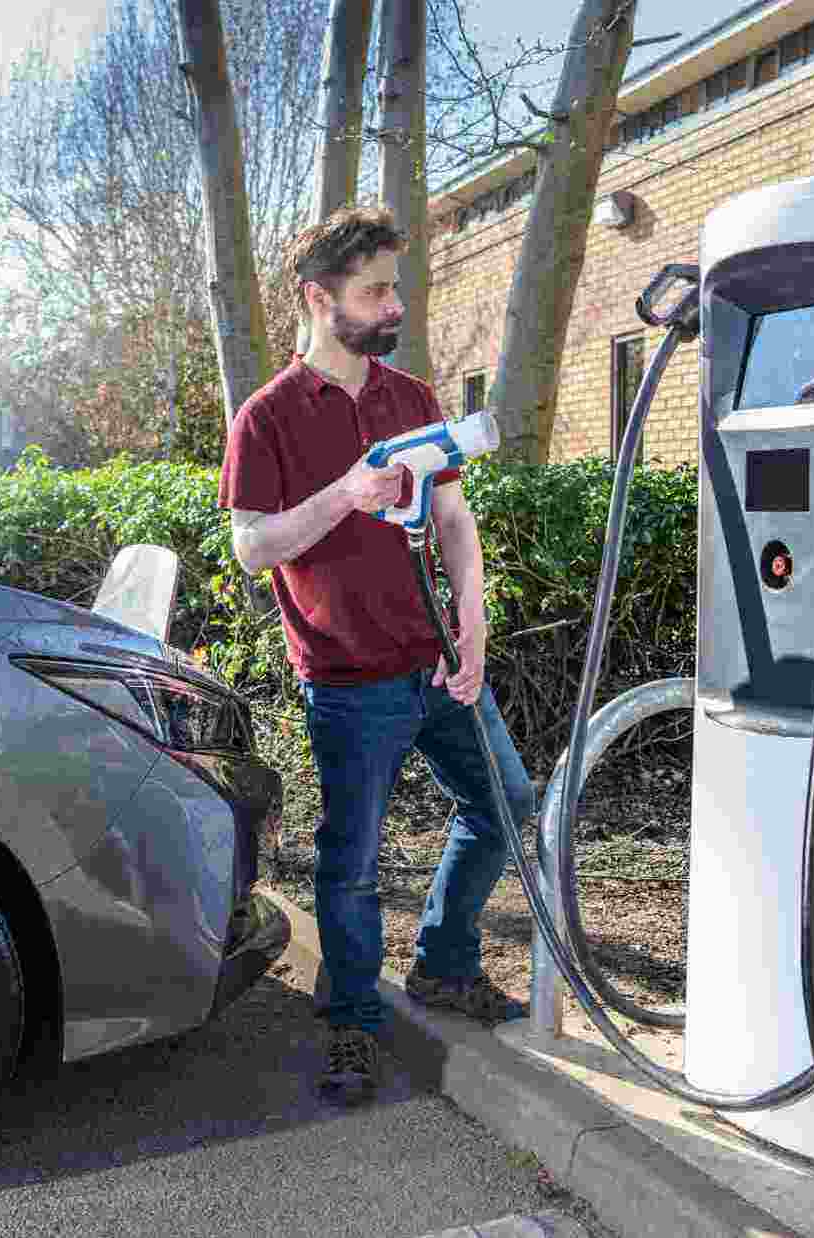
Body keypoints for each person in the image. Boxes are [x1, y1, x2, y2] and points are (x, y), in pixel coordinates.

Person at [217, 204, 535, 1106]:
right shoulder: (268, 417)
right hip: (349, 681)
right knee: (351, 861)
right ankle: (353, 1025)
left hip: (437, 663)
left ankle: (441, 962)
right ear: (320, 299)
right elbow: (252, 545)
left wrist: (471, 620)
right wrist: (344, 495)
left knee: (505, 803)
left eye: (394, 285)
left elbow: (453, 520)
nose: (394, 303)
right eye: (375, 290)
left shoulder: (411, 398)